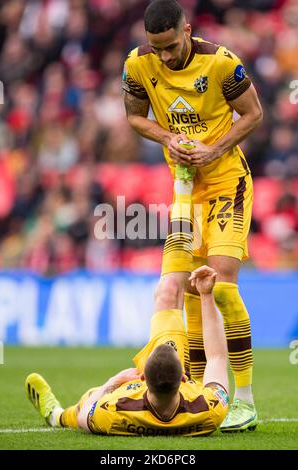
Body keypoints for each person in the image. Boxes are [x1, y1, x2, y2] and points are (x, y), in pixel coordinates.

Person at [122, 0, 262, 431]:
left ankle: (245, 399)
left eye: (169, 45)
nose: (163, 56)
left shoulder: (221, 64)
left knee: (220, 286)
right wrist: (167, 136)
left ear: (187, 29)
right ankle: (202, 387)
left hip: (226, 185)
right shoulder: (137, 65)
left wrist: (214, 148)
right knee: (188, 290)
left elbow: (254, 113)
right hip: (185, 189)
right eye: (155, 47)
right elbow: (134, 117)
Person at [25, 266, 231, 437]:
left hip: (132, 403)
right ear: (185, 377)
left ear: (142, 377)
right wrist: (206, 294)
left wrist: (111, 384)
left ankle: (56, 415)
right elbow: (217, 358)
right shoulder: (210, 409)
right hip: (183, 405)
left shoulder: (114, 410)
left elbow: (84, 415)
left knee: (90, 396)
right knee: (169, 290)